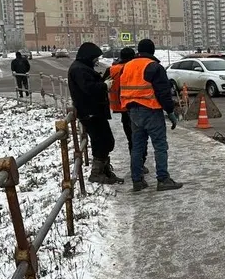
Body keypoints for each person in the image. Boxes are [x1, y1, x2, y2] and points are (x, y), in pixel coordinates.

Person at [120, 39, 183, 192]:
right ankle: (163, 179)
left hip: (132, 112)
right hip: (151, 111)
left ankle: (137, 181)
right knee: (160, 146)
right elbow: (163, 93)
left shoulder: (127, 66)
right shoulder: (154, 67)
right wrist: (170, 112)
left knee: (137, 147)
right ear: (152, 51)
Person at [68, 42, 124, 184]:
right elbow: (89, 88)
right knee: (101, 141)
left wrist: (103, 82)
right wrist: (104, 85)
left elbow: (90, 85)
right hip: (90, 112)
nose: (97, 61)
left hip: (94, 111)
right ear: (88, 56)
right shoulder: (79, 69)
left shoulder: (82, 67)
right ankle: (97, 173)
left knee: (106, 141)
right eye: (95, 58)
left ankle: (104, 170)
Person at [106, 47, 148, 175]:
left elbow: (104, 85)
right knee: (140, 138)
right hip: (136, 107)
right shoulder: (133, 68)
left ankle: (135, 163)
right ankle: (139, 164)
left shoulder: (112, 69)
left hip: (122, 108)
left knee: (131, 138)